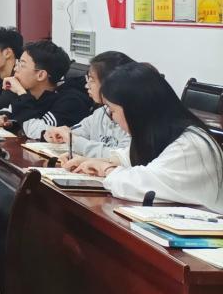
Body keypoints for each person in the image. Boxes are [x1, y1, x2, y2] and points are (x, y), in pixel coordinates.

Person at [70, 62, 223, 213]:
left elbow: (143, 184)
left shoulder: (190, 144)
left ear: (134, 110)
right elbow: (129, 157)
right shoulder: (160, 134)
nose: (112, 117)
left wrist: (106, 169)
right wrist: (89, 162)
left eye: (113, 110)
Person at [47, 51, 134, 164]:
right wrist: (59, 135)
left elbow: (123, 157)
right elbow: (76, 133)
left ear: (111, 84)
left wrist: (75, 141)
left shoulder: (132, 118)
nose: (86, 85)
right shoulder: (101, 112)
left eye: (92, 80)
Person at [0, 40, 91, 139]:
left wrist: (20, 92)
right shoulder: (32, 93)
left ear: (41, 75)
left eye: (22, 65)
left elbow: (37, 131)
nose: (15, 69)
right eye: (17, 63)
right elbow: (4, 111)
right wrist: (8, 121)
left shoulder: (71, 102)